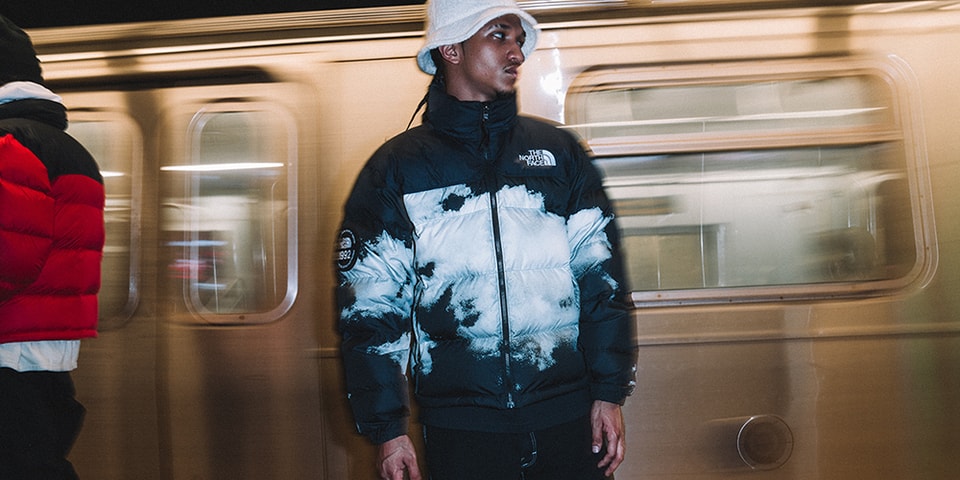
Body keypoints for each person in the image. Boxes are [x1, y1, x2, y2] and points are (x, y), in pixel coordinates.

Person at [335, 0, 636, 478]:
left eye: (519, 40)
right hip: (463, 432)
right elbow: (370, 309)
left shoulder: (559, 154)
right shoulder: (397, 169)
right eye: (499, 36)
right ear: (451, 49)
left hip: (568, 418)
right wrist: (388, 430)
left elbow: (603, 281)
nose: (516, 52)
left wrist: (608, 392)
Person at [0, 15, 105, 480]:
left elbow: (10, 256)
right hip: (41, 346)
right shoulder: (65, 146)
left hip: (9, 349)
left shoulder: (10, 140)